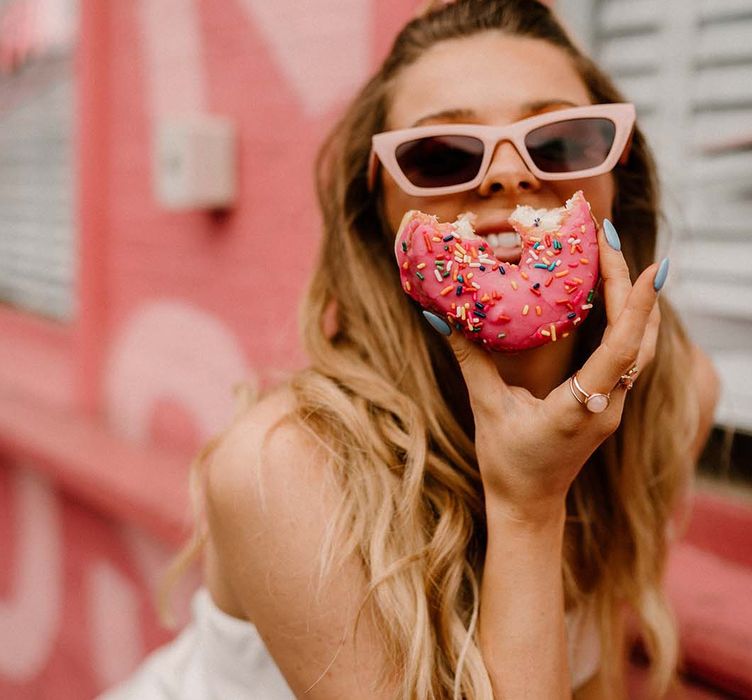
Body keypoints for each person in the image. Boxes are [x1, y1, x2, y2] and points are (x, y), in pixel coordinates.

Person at [101, 1, 719, 698]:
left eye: (561, 142)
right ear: (379, 212)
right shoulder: (283, 467)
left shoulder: (672, 398)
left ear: (616, 178)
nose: (508, 177)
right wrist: (528, 505)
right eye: (441, 155)